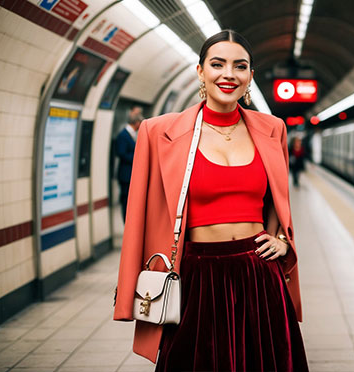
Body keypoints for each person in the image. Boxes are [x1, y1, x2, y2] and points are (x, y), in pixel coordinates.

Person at [113, 30, 308, 371]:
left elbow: (278, 200)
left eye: (240, 66)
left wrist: (281, 240)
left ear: (251, 76)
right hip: (197, 276)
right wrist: (130, 288)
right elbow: (138, 218)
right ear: (200, 71)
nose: (229, 74)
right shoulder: (159, 132)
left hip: (259, 274)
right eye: (217, 64)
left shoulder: (272, 128)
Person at [115, 106, 143, 221]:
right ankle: (126, 222)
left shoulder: (132, 135)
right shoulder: (123, 135)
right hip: (125, 175)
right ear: (136, 123)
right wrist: (138, 158)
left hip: (131, 174)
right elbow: (121, 153)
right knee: (126, 199)